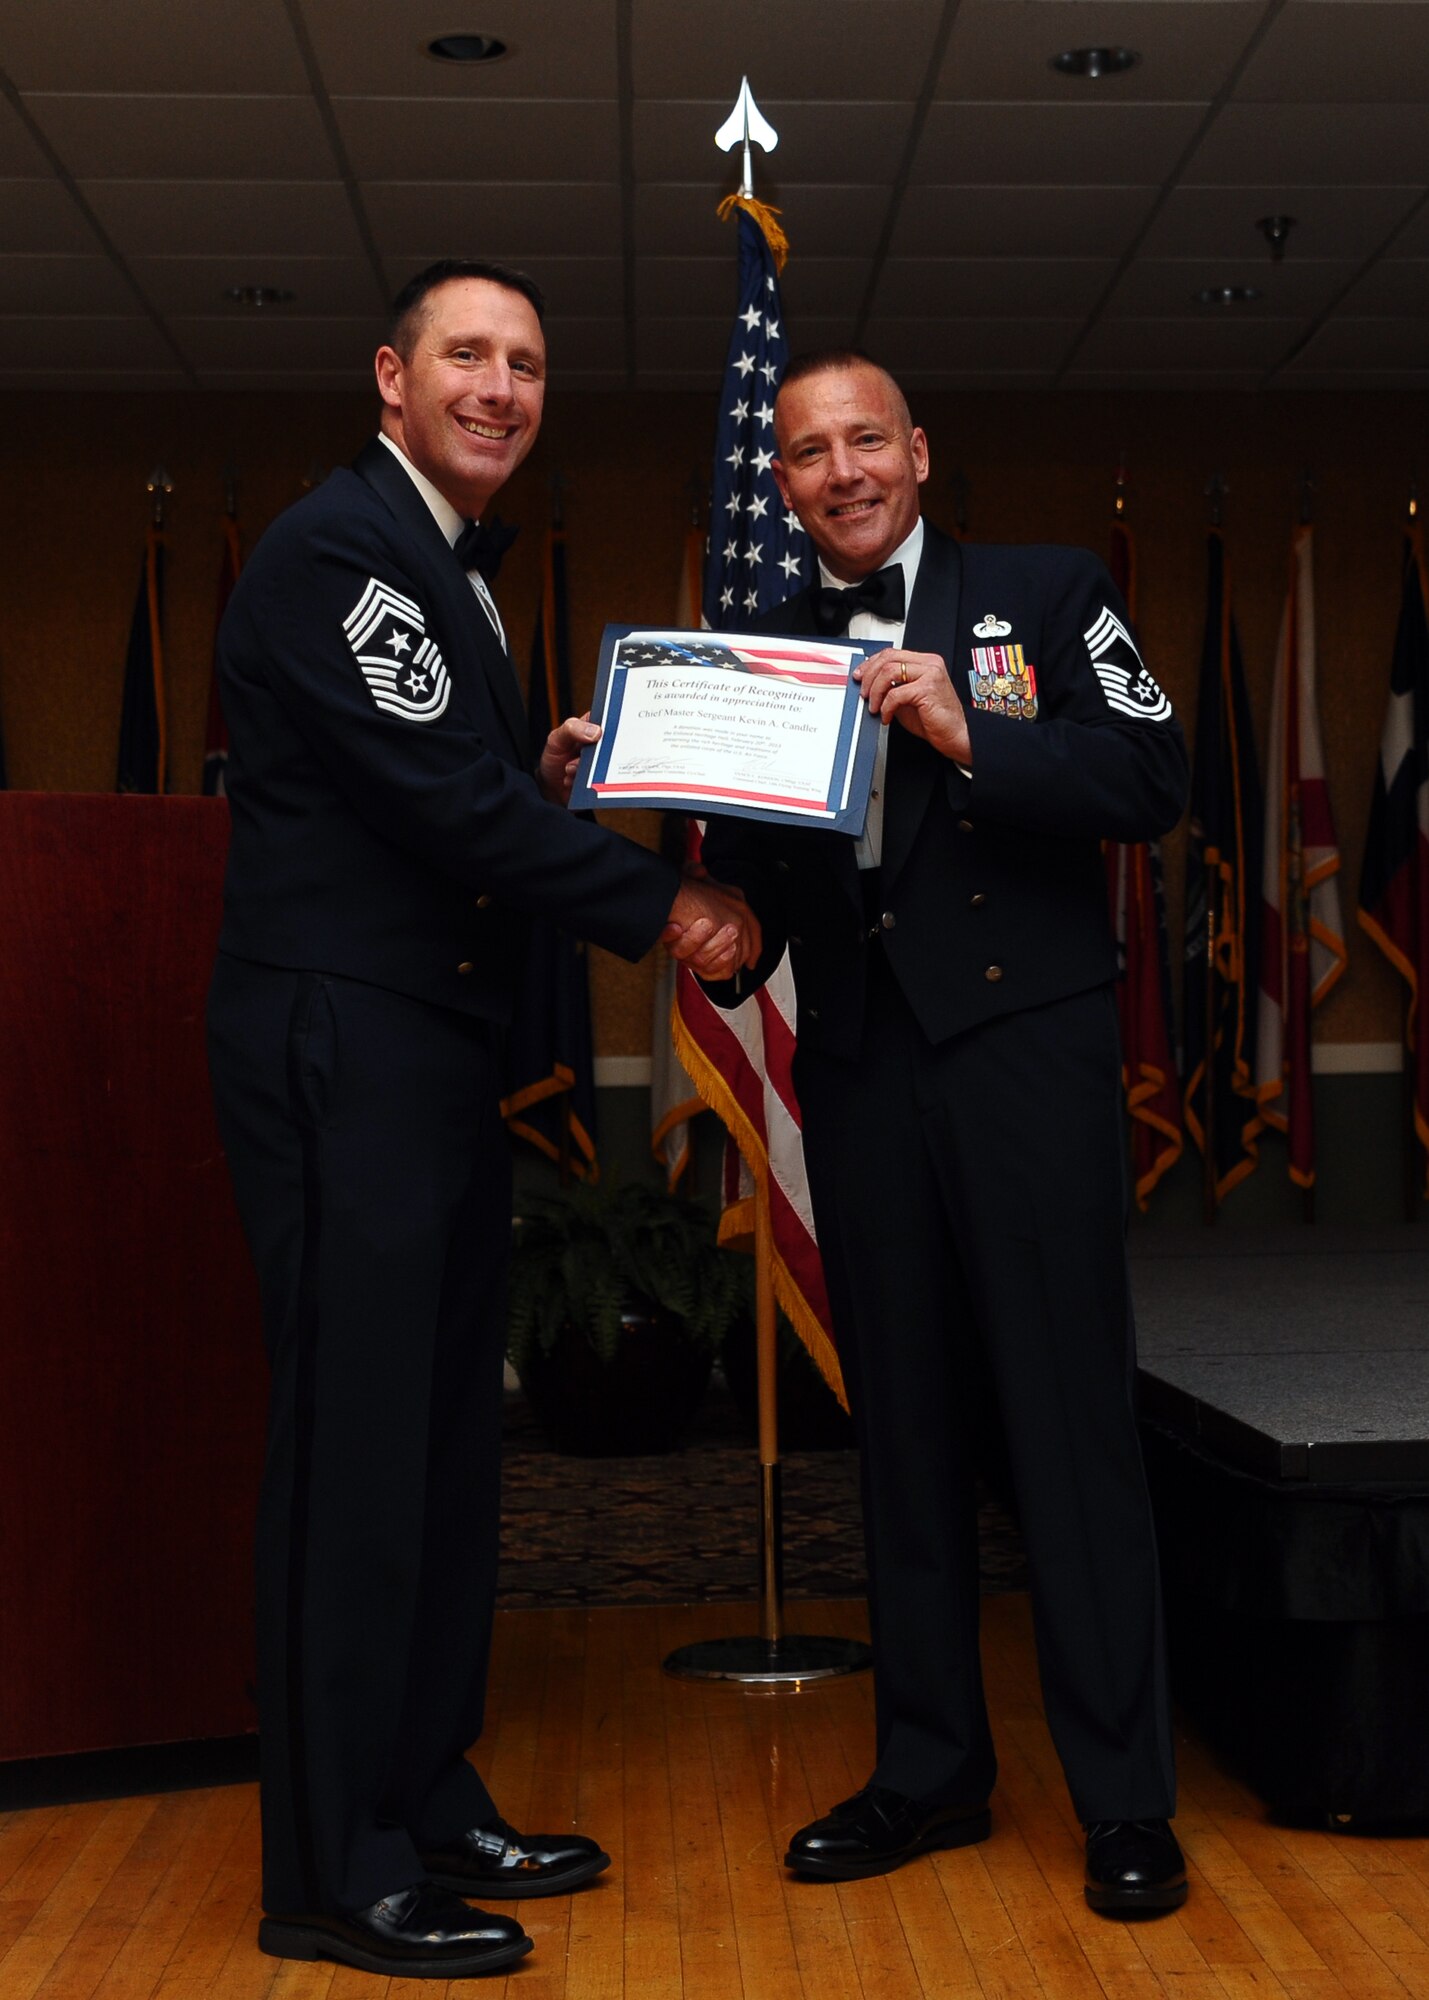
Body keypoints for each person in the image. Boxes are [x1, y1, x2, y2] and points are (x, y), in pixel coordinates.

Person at [207, 258, 758, 1980]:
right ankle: (332, 1862)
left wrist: (531, 788)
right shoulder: (341, 550)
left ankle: (424, 1790)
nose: (500, 387)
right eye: (466, 355)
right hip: (344, 1046)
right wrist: (665, 907)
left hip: (421, 1053)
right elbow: (432, 805)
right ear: (389, 376)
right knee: (356, 1458)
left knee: (447, 1447)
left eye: (526, 361)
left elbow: (436, 796)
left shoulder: (448, 571)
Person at [699, 352, 1191, 1916]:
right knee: (900, 1432)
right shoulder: (756, 647)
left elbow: (1151, 774)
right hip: (855, 1066)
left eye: (862, 441)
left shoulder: (1042, 595)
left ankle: (1122, 1799)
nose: (837, 472)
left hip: (1022, 1057)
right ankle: (927, 1772)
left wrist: (976, 736)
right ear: (778, 482)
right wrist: (653, 850)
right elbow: (761, 891)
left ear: (917, 450)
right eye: (804, 453)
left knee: (1064, 1425)